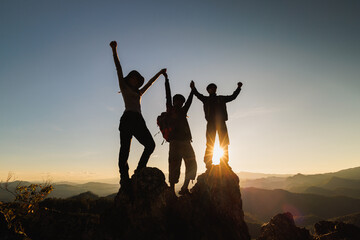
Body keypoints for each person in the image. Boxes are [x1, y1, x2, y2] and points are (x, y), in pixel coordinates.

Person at [110, 40, 167, 187]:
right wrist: (114, 49)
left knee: (150, 145)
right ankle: (124, 178)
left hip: (138, 120)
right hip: (127, 118)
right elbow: (118, 68)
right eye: (132, 77)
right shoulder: (124, 87)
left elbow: (150, 83)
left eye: (137, 78)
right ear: (129, 79)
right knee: (125, 150)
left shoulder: (139, 92)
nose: (134, 79)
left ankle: (139, 170)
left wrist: (160, 73)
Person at [190, 80, 242, 170]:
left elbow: (233, 97)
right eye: (211, 88)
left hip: (221, 123)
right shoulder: (206, 99)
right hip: (211, 123)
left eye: (214, 88)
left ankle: (224, 162)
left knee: (224, 143)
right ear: (208, 90)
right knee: (210, 143)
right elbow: (197, 95)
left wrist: (238, 88)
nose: (213, 89)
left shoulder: (221, 98)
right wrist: (193, 88)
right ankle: (208, 163)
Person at [164, 74, 197, 195]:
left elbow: (189, 101)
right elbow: (168, 94)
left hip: (181, 142)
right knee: (180, 164)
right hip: (179, 142)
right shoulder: (173, 109)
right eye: (178, 101)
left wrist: (192, 90)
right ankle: (177, 189)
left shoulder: (181, 110)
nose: (180, 103)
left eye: (181, 101)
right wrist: (166, 80)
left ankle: (182, 189)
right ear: (175, 102)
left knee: (177, 164)